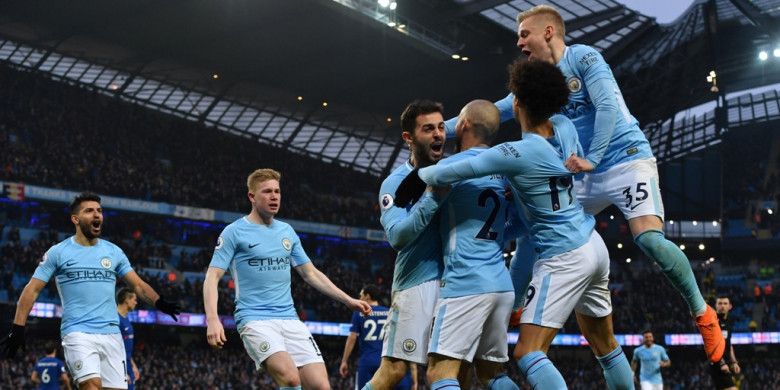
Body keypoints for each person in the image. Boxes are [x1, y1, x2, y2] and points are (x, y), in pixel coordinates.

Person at [444, 4, 724, 363]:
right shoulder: (539, 81)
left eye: (524, 34)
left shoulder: (584, 57)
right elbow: (491, 113)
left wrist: (593, 155)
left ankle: (703, 313)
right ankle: (513, 308)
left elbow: (607, 107)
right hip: (584, 170)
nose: (519, 42)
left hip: (626, 158)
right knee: (534, 225)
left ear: (548, 32)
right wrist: (439, 130)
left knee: (649, 238)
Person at [398, 60, 633, 389]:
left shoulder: (514, 152)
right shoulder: (564, 127)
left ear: (518, 103)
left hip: (560, 254)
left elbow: (448, 172)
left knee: (526, 352)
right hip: (590, 242)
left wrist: (412, 176)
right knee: (604, 346)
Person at [203, 168, 371, 390]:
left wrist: (348, 300)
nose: (274, 196)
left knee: (321, 386)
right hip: (254, 320)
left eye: (277, 191)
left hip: (290, 320)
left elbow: (310, 273)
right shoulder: (234, 232)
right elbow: (212, 276)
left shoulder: (287, 232)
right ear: (251, 197)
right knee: (291, 379)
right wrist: (212, 319)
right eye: (267, 192)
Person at [0, 192, 180, 390]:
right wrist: (18, 328)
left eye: (99, 211)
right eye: (89, 211)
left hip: (112, 335)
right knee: (91, 385)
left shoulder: (114, 252)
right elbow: (32, 290)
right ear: (75, 219)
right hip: (78, 332)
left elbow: (137, 285)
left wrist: (159, 302)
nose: (97, 215)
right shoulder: (58, 252)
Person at [423, 100, 518, 390]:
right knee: (490, 375)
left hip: (465, 281)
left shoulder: (450, 167)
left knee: (439, 374)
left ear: (462, 125)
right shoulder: (506, 171)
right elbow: (524, 225)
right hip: (501, 284)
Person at [364, 100, 447, 390]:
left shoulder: (455, 169)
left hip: (458, 284)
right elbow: (398, 236)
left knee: (454, 370)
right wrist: (433, 195)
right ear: (409, 138)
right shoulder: (395, 183)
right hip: (417, 282)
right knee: (394, 370)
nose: (438, 134)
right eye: (428, 129)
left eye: (441, 127)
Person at [340, 285, 416, 390]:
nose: (359, 297)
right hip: (386, 362)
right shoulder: (389, 312)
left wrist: (344, 361)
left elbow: (352, 338)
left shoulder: (359, 312)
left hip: (367, 362)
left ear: (367, 296)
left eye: (361, 295)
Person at [710, 295, 740, 390]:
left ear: (730, 306)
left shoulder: (729, 322)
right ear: (715, 306)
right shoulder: (713, 321)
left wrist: (734, 362)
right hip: (716, 363)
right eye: (720, 303)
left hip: (726, 363)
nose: (722, 306)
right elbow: (712, 345)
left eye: (725, 303)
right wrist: (722, 363)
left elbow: (729, 345)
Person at [117, 287, 140, 390]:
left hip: (128, 365)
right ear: (127, 300)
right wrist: (122, 372)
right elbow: (112, 349)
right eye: (134, 299)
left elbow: (126, 349)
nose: (136, 303)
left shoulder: (125, 318)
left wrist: (133, 364)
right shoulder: (115, 319)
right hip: (118, 368)